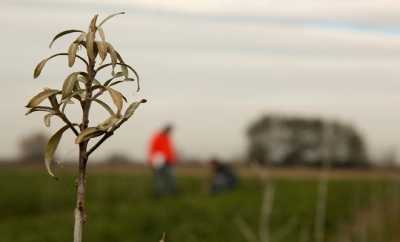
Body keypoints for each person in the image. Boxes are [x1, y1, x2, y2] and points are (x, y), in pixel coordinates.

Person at [147, 124, 177, 196]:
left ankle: (171, 193)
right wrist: (152, 161)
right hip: (159, 163)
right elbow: (152, 149)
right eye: (169, 130)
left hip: (168, 162)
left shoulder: (167, 138)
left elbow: (170, 150)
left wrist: (173, 159)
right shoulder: (157, 137)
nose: (169, 132)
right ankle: (158, 194)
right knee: (159, 179)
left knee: (170, 178)